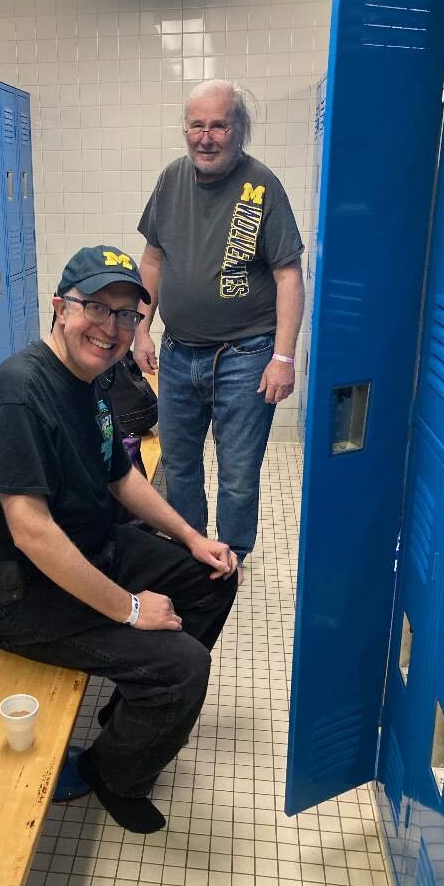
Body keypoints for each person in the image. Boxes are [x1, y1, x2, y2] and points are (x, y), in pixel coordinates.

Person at [0, 246, 238, 834]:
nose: (111, 328)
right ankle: (112, 773)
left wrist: (189, 536)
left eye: (127, 314)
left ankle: (131, 712)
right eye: (95, 308)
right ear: (60, 309)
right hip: (17, 594)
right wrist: (132, 610)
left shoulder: (93, 378)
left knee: (213, 577)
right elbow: (31, 532)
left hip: (89, 547)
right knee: (183, 666)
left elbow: (118, 474)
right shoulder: (21, 391)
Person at [135, 80, 305, 579]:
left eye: (218, 125)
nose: (206, 137)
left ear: (238, 130)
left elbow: (287, 274)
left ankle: (230, 555)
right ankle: (190, 545)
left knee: (237, 471)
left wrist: (284, 356)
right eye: (197, 125)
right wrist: (141, 328)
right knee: (180, 463)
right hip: (179, 351)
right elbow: (153, 256)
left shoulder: (262, 185)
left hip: (245, 354)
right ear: (185, 128)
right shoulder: (171, 179)